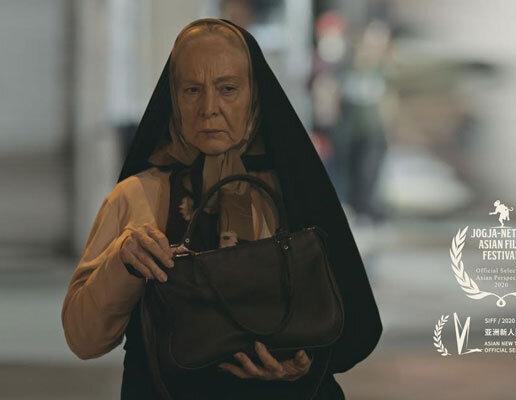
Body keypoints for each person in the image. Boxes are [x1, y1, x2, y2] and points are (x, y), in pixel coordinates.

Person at [61, 18, 382, 399]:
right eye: (192, 90)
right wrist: (122, 262)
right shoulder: (138, 197)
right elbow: (84, 339)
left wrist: (306, 364)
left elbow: (349, 321)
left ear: (254, 95)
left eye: (227, 89)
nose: (209, 109)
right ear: (173, 98)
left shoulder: (290, 193)